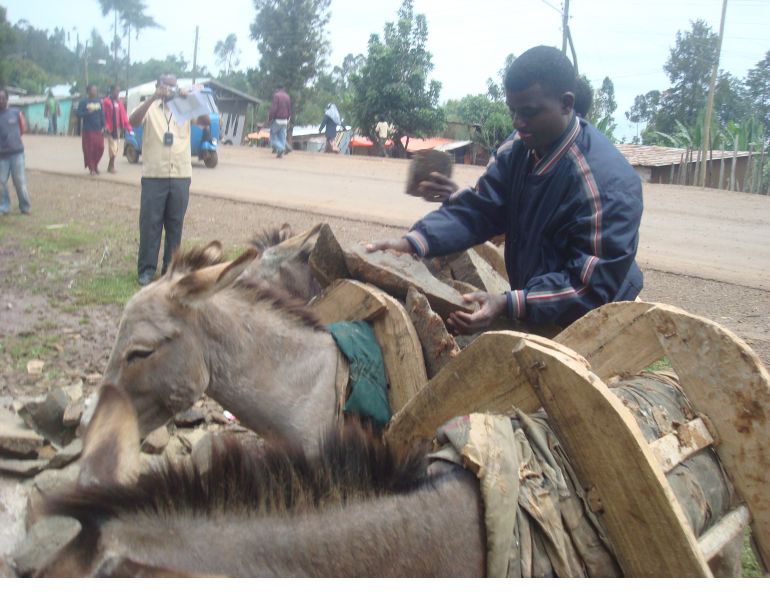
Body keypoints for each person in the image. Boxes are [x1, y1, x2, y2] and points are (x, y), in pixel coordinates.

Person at [367, 46, 643, 335]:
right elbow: (480, 209)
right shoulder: (518, 148)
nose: (517, 123)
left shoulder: (607, 186)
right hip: (541, 300)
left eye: (529, 113)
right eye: (512, 111)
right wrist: (413, 242)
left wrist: (510, 303)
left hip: (598, 321)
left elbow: (588, 287)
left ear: (566, 103)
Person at [129, 74, 211, 286]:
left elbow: (205, 121)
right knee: (150, 224)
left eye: (173, 87)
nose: (169, 90)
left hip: (180, 174)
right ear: (158, 86)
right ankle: (146, 269)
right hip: (154, 174)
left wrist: (190, 98)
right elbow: (132, 121)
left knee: (175, 224)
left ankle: (170, 269)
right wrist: (153, 98)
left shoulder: (184, 107)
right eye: (165, 86)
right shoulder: (149, 108)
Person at [0, 88, 32, 215]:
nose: (0, 101)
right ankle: (4, 206)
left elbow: (23, 128)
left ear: (7, 99)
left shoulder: (16, 112)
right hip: (2, 156)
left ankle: (25, 206)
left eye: (2, 98)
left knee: (19, 181)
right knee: (1, 182)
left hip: (17, 153)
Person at [102, 84, 133, 174]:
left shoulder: (119, 103)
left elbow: (123, 115)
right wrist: (105, 126)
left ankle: (110, 165)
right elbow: (104, 115)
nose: (117, 93)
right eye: (116, 91)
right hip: (110, 128)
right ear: (111, 91)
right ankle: (111, 166)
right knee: (113, 147)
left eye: (119, 91)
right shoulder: (106, 102)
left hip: (118, 128)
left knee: (116, 148)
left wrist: (129, 128)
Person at [77, 84, 105, 175]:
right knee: (90, 149)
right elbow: (78, 114)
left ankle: (95, 164)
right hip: (88, 129)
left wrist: (103, 125)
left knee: (100, 148)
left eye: (96, 90)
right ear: (88, 91)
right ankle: (92, 168)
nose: (95, 92)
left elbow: (102, 114)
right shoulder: (83, 102)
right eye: (93, 90)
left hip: (98, 129)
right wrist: (87, 113)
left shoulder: (99, 101)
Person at [268, 85, 291, 158]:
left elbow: (274, 108)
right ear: (283, 89)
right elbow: (289, 108)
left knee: (273, 137)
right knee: (282, 137)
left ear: (277, 89)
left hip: (277, 119)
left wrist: (270, 118)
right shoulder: (287, 96)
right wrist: (288, 118)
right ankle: (280, 153)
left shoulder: (276, 96)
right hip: (285, 120)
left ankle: (281, 149)